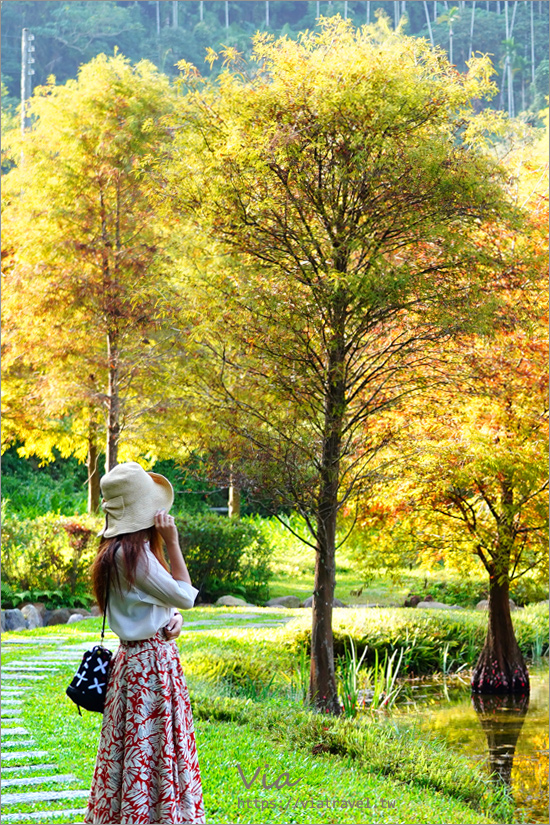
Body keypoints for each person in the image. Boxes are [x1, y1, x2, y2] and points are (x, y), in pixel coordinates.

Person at [84, 462, 206, 825]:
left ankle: (131, 814)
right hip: (151, 668)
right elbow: (185, 595)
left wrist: (173, 620)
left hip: (132, 663)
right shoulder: (133, 557)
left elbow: (161, 605)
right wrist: (172, 542)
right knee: (155, 747)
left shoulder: (116, 552)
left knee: (133, 749)